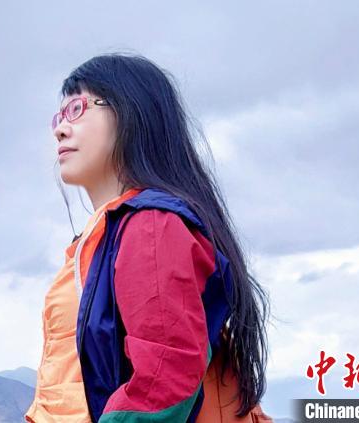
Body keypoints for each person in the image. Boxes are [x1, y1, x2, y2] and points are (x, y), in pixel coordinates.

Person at [25, 52, 273, 423]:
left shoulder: (152, 226)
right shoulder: (102, 237)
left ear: (131, 113)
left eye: (77, 109)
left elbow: (164, 377)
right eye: (58, 117)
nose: (60, 129)